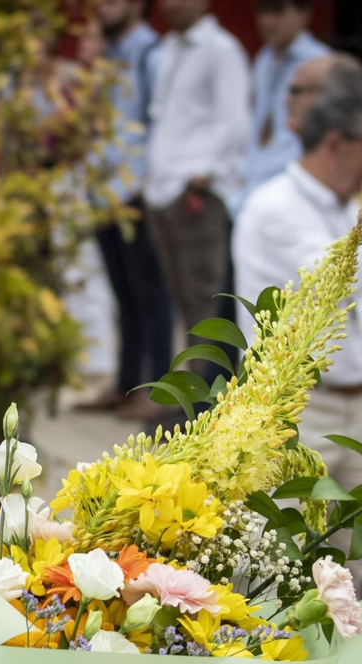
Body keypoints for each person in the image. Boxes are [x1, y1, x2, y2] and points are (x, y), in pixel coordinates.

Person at [232, 73, 362, 664]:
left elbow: (342, 303)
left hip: (352, 401)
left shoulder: (335, 205)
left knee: (338, 558)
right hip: (300, 408)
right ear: (335, 141)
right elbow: (326, 277)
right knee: (287, 549)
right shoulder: (274, 205)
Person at [141, 0, 250, 382]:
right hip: (164, 190)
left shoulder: (221, 50)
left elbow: (233, 122)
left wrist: (201, 175)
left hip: (196, 194)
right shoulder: (166, 50)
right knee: (184, 302)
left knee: (207, 300)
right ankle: (196, 394)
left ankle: (213, 397)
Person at [79, 0, 174, 418]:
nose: (100, 6)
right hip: (104, 190)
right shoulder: (108, 55)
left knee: (151, 294)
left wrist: (154, 183)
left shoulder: (153, 54)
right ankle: (126, 383)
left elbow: (163, 122)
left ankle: (158, 390)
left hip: (138, 190)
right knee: (123, 293)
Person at [229, 0, 329, 216]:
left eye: (278, 11)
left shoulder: (320, 64)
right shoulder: (263, 60)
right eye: (262, 11)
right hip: (250, 193)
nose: (267, 22)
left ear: (304, 13)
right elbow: (258, 127)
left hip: (293, 197)